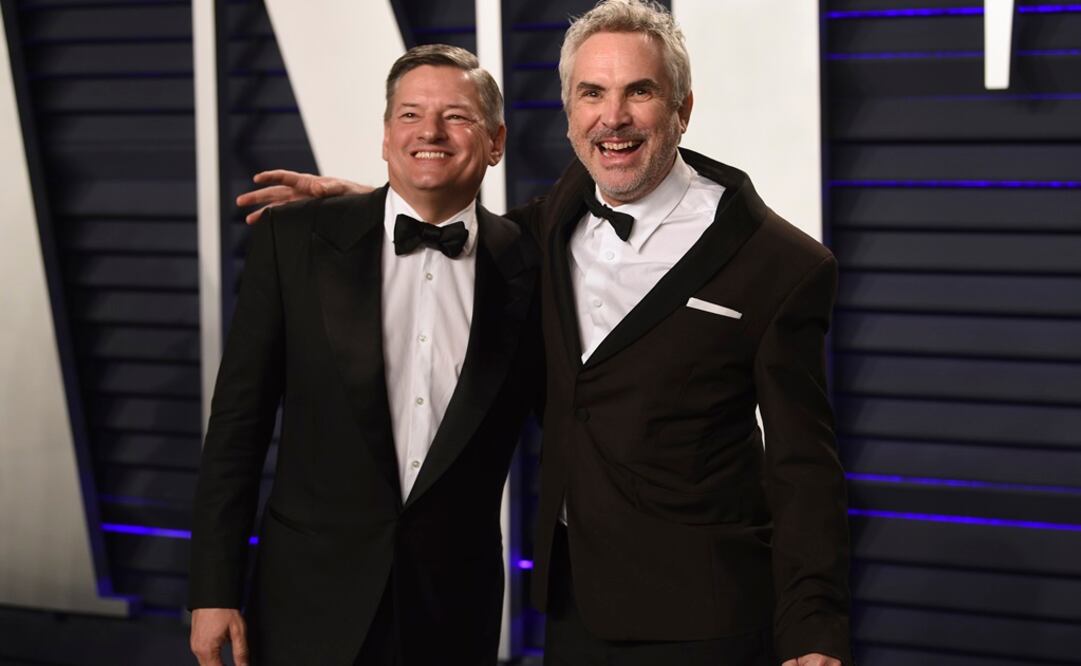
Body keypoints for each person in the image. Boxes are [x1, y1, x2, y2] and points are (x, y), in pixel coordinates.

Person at [239, 2, 851, 664]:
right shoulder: (539, 232)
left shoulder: (779, 263)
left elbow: (803, 467)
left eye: (639, 92)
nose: (612, 117)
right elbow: (451, 239)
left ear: (682, 108)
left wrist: (813, 628)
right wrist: (370, 205)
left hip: (709, 615)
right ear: (568, 112)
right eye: (592, 93)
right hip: (571, 608)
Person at [188, 44, 541, 666]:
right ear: (384, 136)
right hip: (305, 601)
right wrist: (213, 590)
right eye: (410, 115)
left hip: (453, 612)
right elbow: (238, 427)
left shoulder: (532, 265)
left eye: (456, 116)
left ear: (496, 142)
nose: (429, 131)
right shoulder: (295, 241)